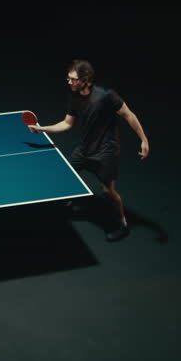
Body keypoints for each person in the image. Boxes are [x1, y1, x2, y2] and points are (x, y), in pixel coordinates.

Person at [29, 60, 149, 241]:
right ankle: (68, 201)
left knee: (108, 192)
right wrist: (42, 129)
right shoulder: (75, 97)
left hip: (105, 152)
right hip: (84, 148)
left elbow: (128, 115)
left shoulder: (106, 96)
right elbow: (66, 124)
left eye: (73, 79)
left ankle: (122, 225)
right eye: (68, 78)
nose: (69, 82)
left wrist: (144, 139)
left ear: (85, 80)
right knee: (67, 174)